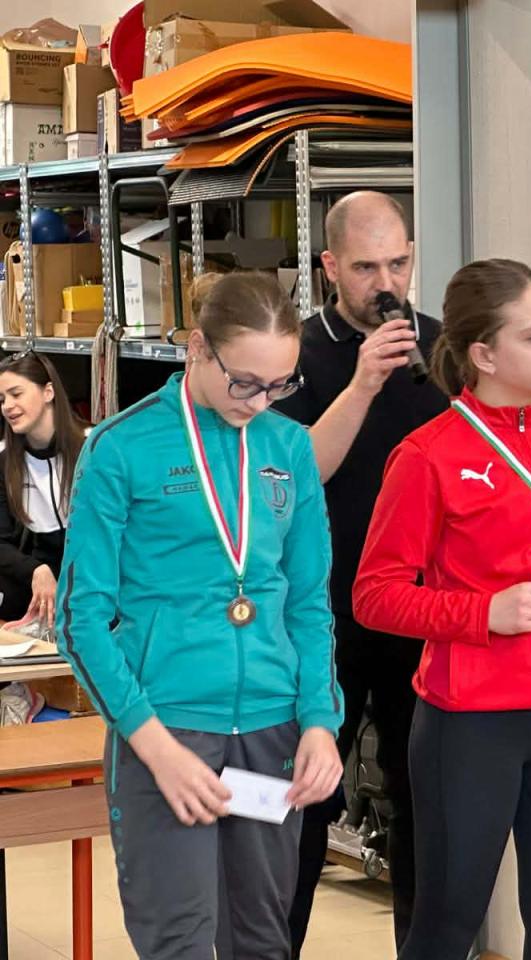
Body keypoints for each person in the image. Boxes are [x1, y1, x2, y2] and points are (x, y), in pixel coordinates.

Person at [56, 272, 345, 960]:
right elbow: (81, 619)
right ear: (196, 348)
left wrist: (320, 721)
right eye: (244, 382)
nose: (259, 402)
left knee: (262, 940)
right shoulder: (122, 447)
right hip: (167, 726)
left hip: (272, 729)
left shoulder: (288, 448)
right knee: (179, 941)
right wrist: (155, 746)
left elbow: (309, 604)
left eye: (279, 386)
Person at [353, 258, 531, 960]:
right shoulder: (428, 454)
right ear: (484, 354)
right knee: (446, 926)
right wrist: (482, 614)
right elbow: (374, 595)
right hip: (469, 723)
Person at [273, 190, 448, 954]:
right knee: (304, 803)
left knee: (424, 802)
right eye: (367, 267)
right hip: (324, 612)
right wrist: (363, 383)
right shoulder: (293, 353)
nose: (387, 284)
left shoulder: (440, 348)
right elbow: (296, 476)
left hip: (420, 610)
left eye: (399, 264)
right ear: (330, 266)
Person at [0, 351, 88, 628]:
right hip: (36, 576)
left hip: (92, 574)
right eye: (2, 399)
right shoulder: (4, 460)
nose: (8, 406)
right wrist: (36, 571)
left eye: (16, 394)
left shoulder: (95, 447)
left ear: (48, 392)